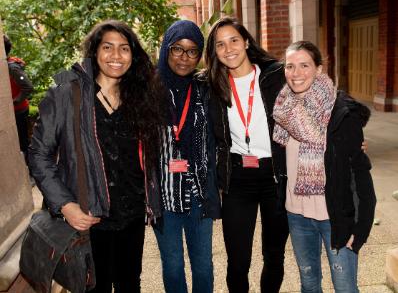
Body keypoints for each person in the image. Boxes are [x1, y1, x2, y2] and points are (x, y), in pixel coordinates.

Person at [29, 20, 164, 293]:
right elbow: (39, 154)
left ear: (133, 55)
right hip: (89, 215)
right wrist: (65, 205)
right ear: (94, 51)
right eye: (108, 47)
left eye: (124, 49)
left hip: (132, 213)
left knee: (129, 283)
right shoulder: (68, 93)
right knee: (93, 286)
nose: (116, 56)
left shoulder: (140, 95)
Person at [272, 40, 376, 293]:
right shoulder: (281, 110)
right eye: (290, 66)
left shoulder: (341, 114)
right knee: (308, 283)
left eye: (304, 65)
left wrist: (361, 228)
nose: (295, 74)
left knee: (345, 288)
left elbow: (360, 175)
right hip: (296, 215)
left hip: (335, 216)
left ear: (319, 69)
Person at [205, 17, 289, 293]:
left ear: (246, 42)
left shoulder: (276, 75)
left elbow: (320, 93)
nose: (228, 49)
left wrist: (349, 135)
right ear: (214, 52)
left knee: (274, 255)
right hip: (238, 177)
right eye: (220, 44)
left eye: (233, 40)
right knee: (238, 260)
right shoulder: (212, 85)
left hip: (275, 176)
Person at [153, 20, 221, 293]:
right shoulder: (149, 92)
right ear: (166, 50)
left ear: (200, 54)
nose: (184, 57)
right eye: (177, 49)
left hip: (199, 194)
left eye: (192, 51)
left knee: (203, 264)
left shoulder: (206, 88)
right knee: (172, 265)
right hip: (164, 197)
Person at [4, 35, 34, 163]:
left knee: (22, 141)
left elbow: (28, 87)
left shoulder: (12, 68)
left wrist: (13, 102)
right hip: (13, 111)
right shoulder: (4, 65)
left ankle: (30, 171)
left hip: (19, 111)